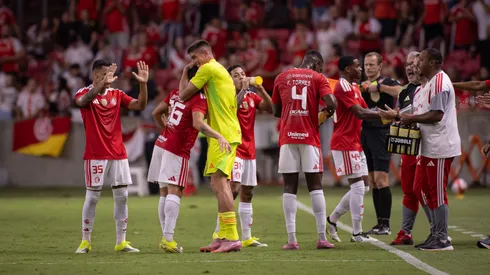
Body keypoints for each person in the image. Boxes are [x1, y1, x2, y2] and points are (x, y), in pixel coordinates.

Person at [380, 48, 461, 251]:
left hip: (440, 146)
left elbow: (436, 115)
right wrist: (399, 117)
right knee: (421, 189)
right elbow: (417, 113)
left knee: (437, 193)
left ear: (433, 62)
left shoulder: (440, 83)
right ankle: (436, 234)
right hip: (427, 146)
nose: (417, 64)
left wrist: (409, 118)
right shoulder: (427, 85)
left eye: (421, 60)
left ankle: (442, 238)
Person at [74, 60, 149, 253]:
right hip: (96, 154)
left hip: (118, 153)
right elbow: (82, 103)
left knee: (122, 197)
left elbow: (140, 105)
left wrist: (143, 84)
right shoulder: (83, 93)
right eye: (106, 74)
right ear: (96, 75)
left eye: (111, 73)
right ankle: (85, 241)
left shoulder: (117, 94)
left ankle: (121, 242)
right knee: (92, 198)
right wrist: (99, 86)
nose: (111, 77)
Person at [178, 40, 242, 253]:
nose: (193, 63)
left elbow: (183, 95)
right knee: (218, 183)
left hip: (222, 134)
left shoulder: (208, 69)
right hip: (225, 132)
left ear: (204, 54)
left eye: (194, 58)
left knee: (220, 183)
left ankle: (232, 237)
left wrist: (185, 72)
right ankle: (223, 236)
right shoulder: (218, 70)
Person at [272, 50, 337, 250]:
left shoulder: (282, 77)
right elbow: (332, 103)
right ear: (317, 64)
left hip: (287, 137)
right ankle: (321, 238)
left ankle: (292, 240)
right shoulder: (318, 78)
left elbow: (275, 111)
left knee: (289, 187)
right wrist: (325, 113)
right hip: (309, 138)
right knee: (315, 186)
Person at [148, 66, 214, 253]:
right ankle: (168, 239)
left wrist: (168, 131)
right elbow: (197, 123)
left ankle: (165, 236)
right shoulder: (199, 98)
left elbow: (156, 113)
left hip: (162, 142)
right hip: (176, 148)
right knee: (175, 190)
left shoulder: (176, 93)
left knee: (164, 192)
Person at [211, 64, 273, 248]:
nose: (241, 77)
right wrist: (243, 90)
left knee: (248, 192)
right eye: (236, 75)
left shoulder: (252, 96)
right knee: (233, 189)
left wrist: (260, 88)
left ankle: (247, 236)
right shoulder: (227, 95)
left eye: (243, 74)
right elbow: (231, 110)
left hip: (250, 150)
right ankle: (220, 231)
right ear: (230, 79)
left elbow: (270, 108)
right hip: (234, 149)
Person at [326, 56, 381, 243]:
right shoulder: (342, 86)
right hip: (344, 142)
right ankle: (357, 233)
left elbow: (367, 110)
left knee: (364, 186)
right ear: (348, 69)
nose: (361, 69)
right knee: (357, 186)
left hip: (354, 143)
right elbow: (359, 112)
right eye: (358, 66)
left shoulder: (354, 88)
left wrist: (387, 114)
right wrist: (388, 116)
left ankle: (332, 219)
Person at [389, 52, 432, 245]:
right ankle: (405, 232)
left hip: (428, 146)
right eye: (407, 64)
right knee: (408, 189)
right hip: (409, 146)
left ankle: (438, 231)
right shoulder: (404, 91)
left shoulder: (430, 87)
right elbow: (403, 116)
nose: (410, 67)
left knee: (423, 189)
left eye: (414, 63)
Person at [361, 52, 402, 235]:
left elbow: (400, 91)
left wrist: (378, 87)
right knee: (372, 181)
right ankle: (380, 223)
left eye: (372, 65)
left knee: (381, 178)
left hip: (382, 133)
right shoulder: (362, 85)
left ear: (380, 66)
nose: (368, 68)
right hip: (366, 133)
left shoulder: (388, 82)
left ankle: (385, 224)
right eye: (366, 65)